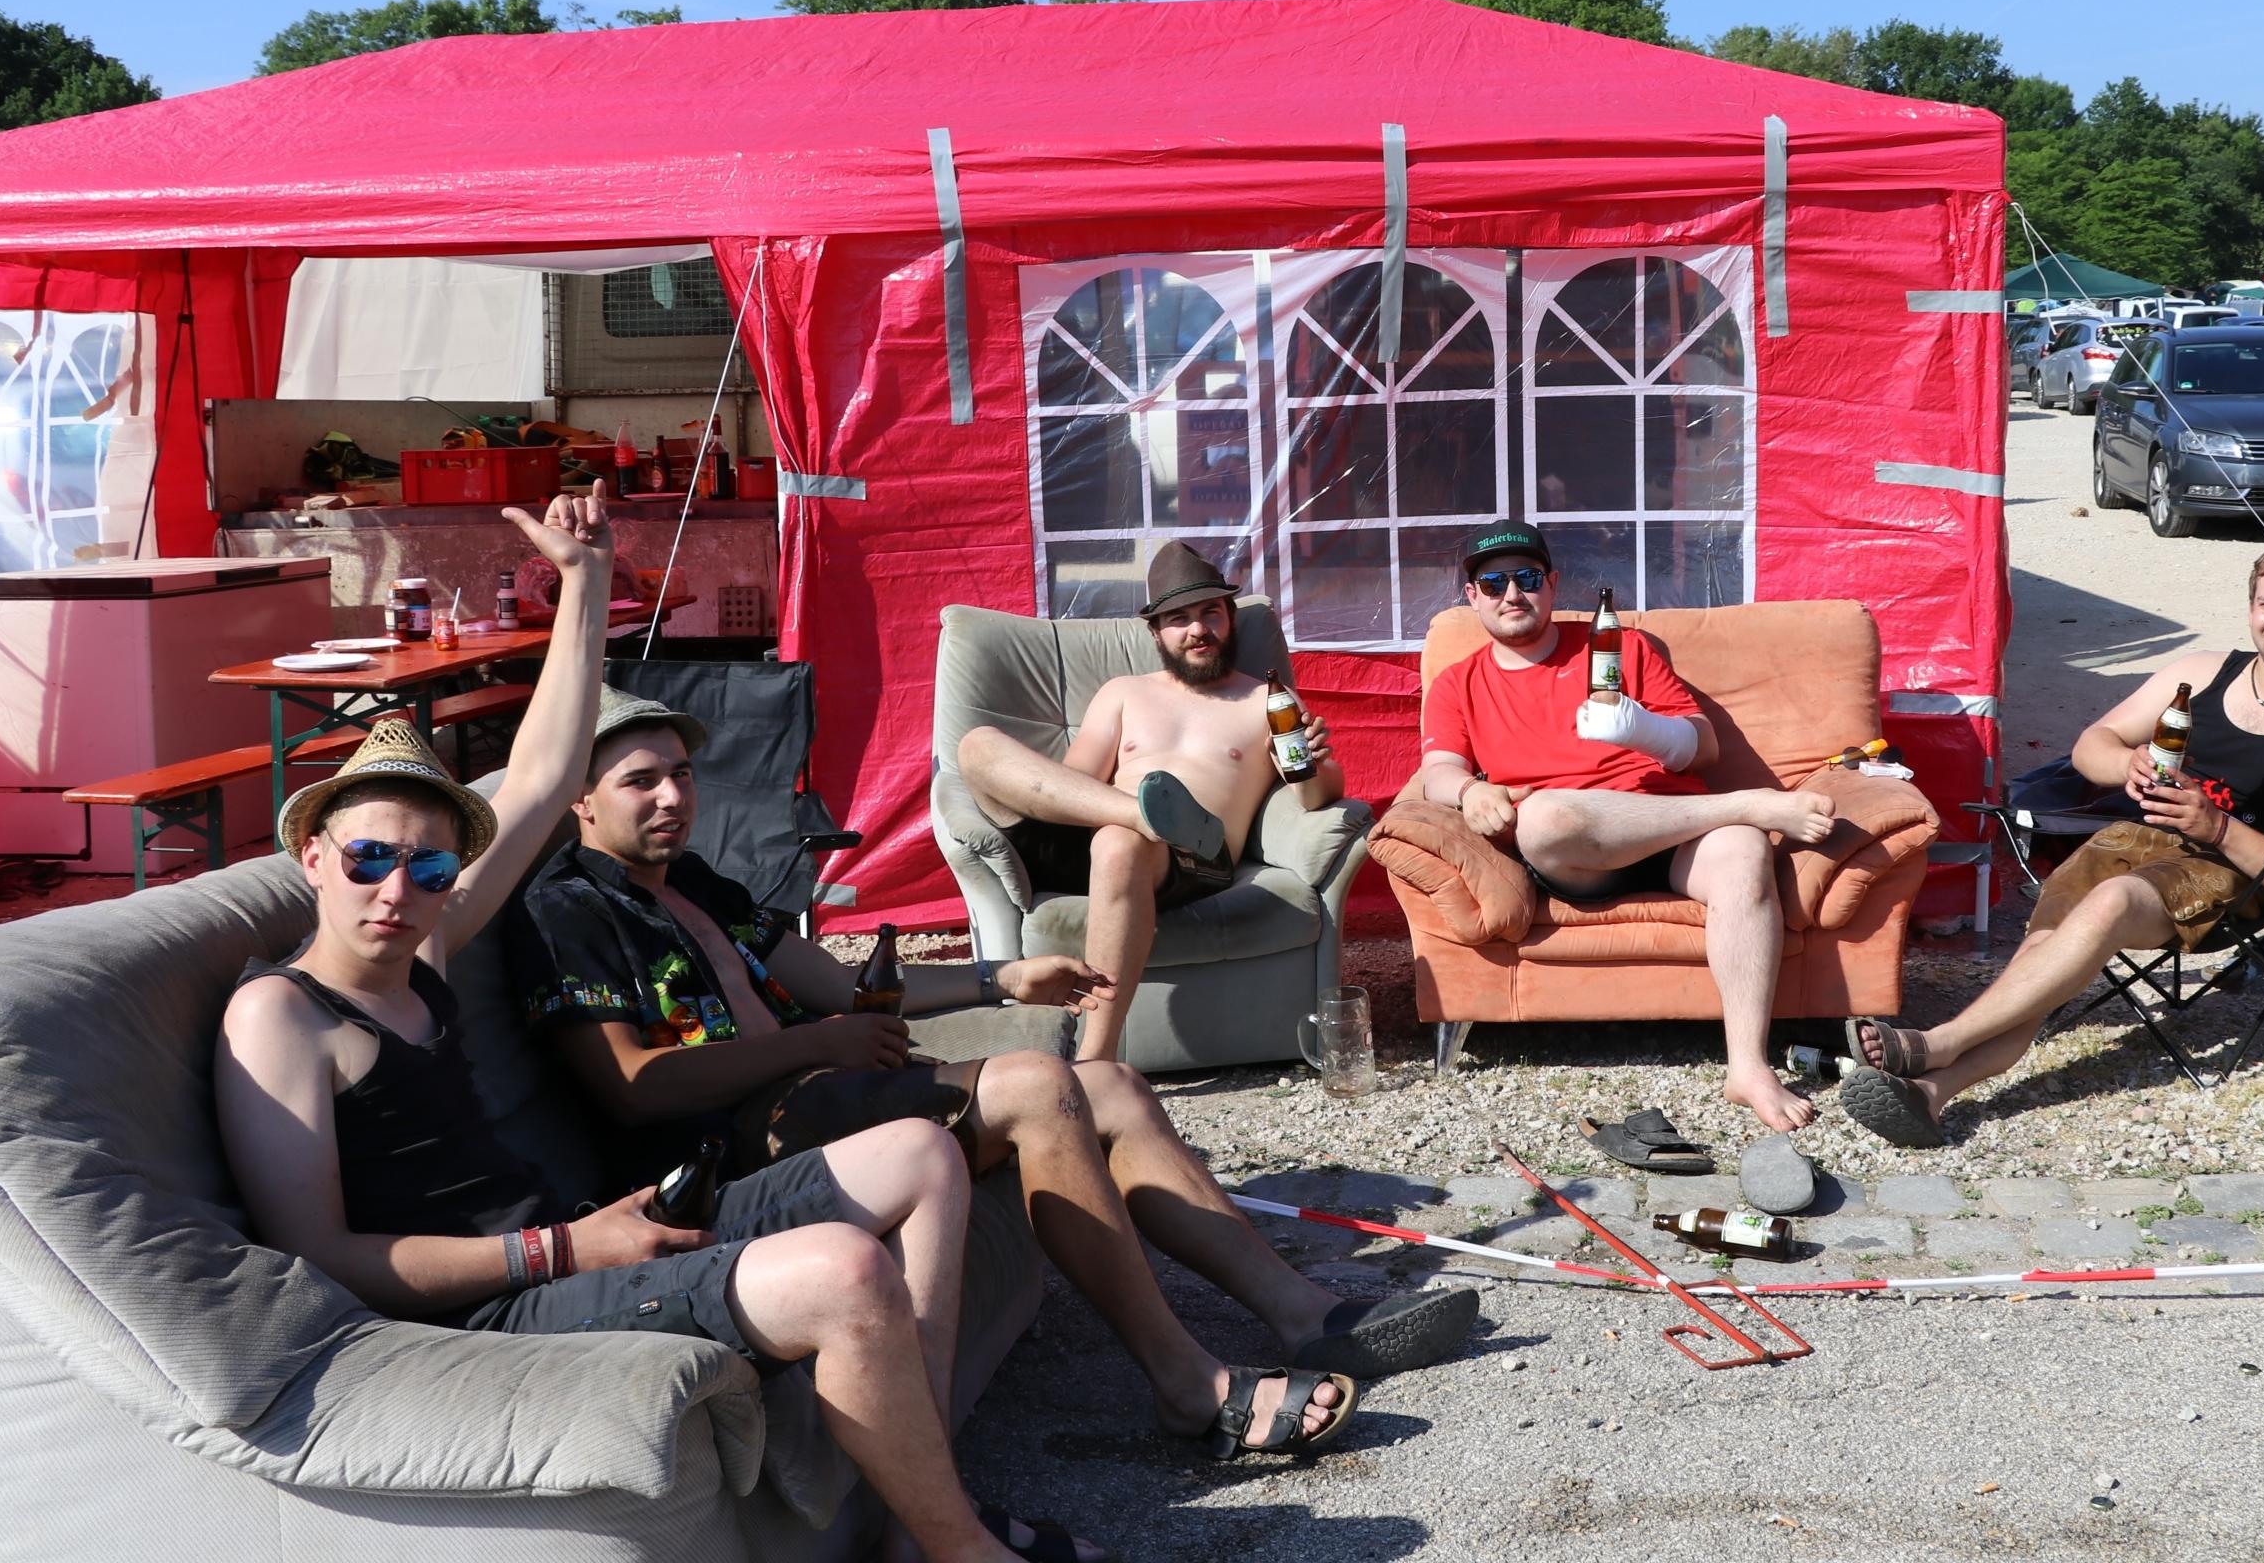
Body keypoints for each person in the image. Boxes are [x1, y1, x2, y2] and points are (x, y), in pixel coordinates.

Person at [210, 489, 1076, 1563]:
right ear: (314, 860)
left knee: (921, 1152)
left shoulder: (424, 952)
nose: (397, 887)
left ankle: (916, 1492)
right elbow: (325, 1255)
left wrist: (584, 578)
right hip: (494, 1308)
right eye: (368, 858)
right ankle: (958, 1550)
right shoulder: (279, 1016)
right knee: (847, 1271)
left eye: (428, 863)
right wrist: (562, 1246)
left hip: (584, 1238)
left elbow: (536, 776)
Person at [505, 684, 1474, 1413]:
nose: (673, 795)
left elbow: (840, 981)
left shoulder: (698, 884)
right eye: (641, 780)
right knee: (1036, 1086)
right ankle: (1188, 1382)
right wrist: (824, 1040)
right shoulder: (568, 909)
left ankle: (1303, 1309)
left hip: (815, 1092)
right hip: (731, 1149)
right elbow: (635, 1087)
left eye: (681, 773)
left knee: (1113, 1083)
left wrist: (1001, 976)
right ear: (582, 800)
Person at [1840, 542, 2264, 1148]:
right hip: (2133, 842)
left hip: (2229, 873)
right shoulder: (2203, 673)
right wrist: (2126, 765)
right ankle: (1931, 1096)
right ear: (2250, 609)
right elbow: (2092, 744)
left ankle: (1937, 1042)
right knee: (2043, 959)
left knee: (2110, 902)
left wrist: (2216, 826)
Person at [1407, 522, 1837, 1133]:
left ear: (1552, 585)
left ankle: (1747, 1065)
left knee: (1744, 850)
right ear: (1471, 595)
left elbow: (1704, 747)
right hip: (1576, 851)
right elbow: (1436, 772)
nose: (1513, 594)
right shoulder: (1460, 682)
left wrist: (1642, 729)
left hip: (1671, 830)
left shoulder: (1620, 648)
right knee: (1549, 815)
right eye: (1493, 582)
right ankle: (1744, 805)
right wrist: (1470, 790)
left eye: (1528, 578)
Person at [949, 542, 1342, 1061]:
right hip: (1090, 827)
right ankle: (1146, 814)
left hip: (1190, 858)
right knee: (976, 745)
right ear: (1156, 633)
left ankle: (1096, 1058)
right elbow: (1074, 781)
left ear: (1230, 620)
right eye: (1179, 619)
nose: (1198, 629)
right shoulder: (1123, 691)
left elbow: (1317, 796)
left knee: (1118, 844)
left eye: (1210, 613)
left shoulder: (1264, 701)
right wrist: (1116, 809)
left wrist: (1311, 765)